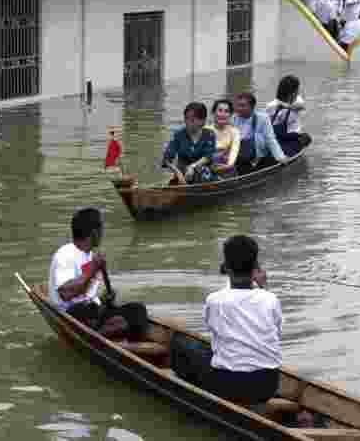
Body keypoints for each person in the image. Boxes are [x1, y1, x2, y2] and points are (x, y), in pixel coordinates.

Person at [170, 235, 282, 405]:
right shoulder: (271, 299)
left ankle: (197, 397)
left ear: (227, 268)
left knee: (179, 342)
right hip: (268, 386)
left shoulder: (214, 300)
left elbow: (214, 331)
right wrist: (263, 287)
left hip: (228, 385)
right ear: (255, 268)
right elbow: (276, 333)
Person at [49, 208, 148, 339]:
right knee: (89, 310)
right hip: (72, 312)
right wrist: (93, 269)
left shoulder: (91, 256)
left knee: (138, 310)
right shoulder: (65, 254)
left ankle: (104, 332)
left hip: (92, 311)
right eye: (102, 229)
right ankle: (100, 334)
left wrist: (104, 298)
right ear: (95, 233)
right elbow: (65, 295)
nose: (103, 233)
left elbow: (87, 294)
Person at [232, 93, 288, 176]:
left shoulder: (262, 118)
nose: (238, 108)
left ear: (252, 107)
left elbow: (270, 139)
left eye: (242, 105)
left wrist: (281, 157)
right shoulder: (233, 119)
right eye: (237, 105)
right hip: (239, 156)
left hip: (258, 155)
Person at [162, 102, 217, 184]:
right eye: (186, 118)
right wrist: (178, 173)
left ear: (202, 121)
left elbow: (207, 157)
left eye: (192, 120)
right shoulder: (178, 135)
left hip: (204, 172)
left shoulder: (209, 134)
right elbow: (167, 159)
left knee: (203, 174)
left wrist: (192, 167)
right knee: (175, 183)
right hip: (182, 172)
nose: (188, 122)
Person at [265, 75, 311, 157]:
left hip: (293, 137)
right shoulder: (272, 106)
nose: (299, 91)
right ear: (293, 92)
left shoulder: (297, 101)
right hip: (280, 138)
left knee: (307, 138)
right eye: (298, 89)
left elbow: (301, 107)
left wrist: (286, 107)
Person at [208, 99, 241, 177]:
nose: (223, 114)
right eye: (220, 110)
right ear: (213, 113)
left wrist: (228, 165)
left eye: (226, 111)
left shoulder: (234, 132)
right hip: (208, 167)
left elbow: (234, 150)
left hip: (227, 168)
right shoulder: (206, 130)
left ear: (230, 115)